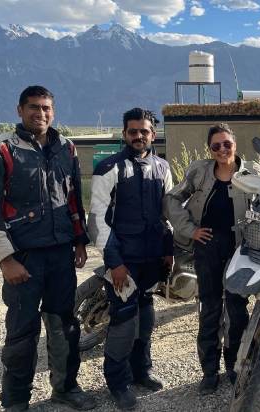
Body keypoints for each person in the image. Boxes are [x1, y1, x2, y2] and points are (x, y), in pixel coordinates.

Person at [0, 85, 96, 411]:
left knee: (65, 326)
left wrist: (80, 240)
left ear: (53, 112)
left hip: (61, 255)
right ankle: (15, 400)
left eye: (46, 108)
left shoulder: (66, 148)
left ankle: (66, 388)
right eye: (33, 107)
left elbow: (73, 198)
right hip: (23, 259)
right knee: (21, 332)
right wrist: (5, 259)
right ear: (20, 110)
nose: (40, 113)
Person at [164, 123, 260, 395]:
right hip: (207, 248)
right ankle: (209, 372)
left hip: (240, 250)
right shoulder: (199, 171)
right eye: (216, 146)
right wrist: (190, 230)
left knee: (236, 308)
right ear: (210, 149)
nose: (222, 150)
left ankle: (234, 367)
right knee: (209, 308)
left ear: (235, 144)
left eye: (226, 144)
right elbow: (171, 199)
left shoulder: (253, 172)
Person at [87, 108, 173, 410]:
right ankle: (118, 382)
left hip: (152, 260)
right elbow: (97, 221)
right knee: (123, 320)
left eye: (144, 131)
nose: (139, 136)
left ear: (153, 134)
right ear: (124, 134)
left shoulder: (162, 167)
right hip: (123, 261)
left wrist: (168, 251)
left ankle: (141, 371)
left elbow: (167, 215)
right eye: (133, 131)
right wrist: (115, 263)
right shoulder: (109, 167)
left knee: (146, 316)